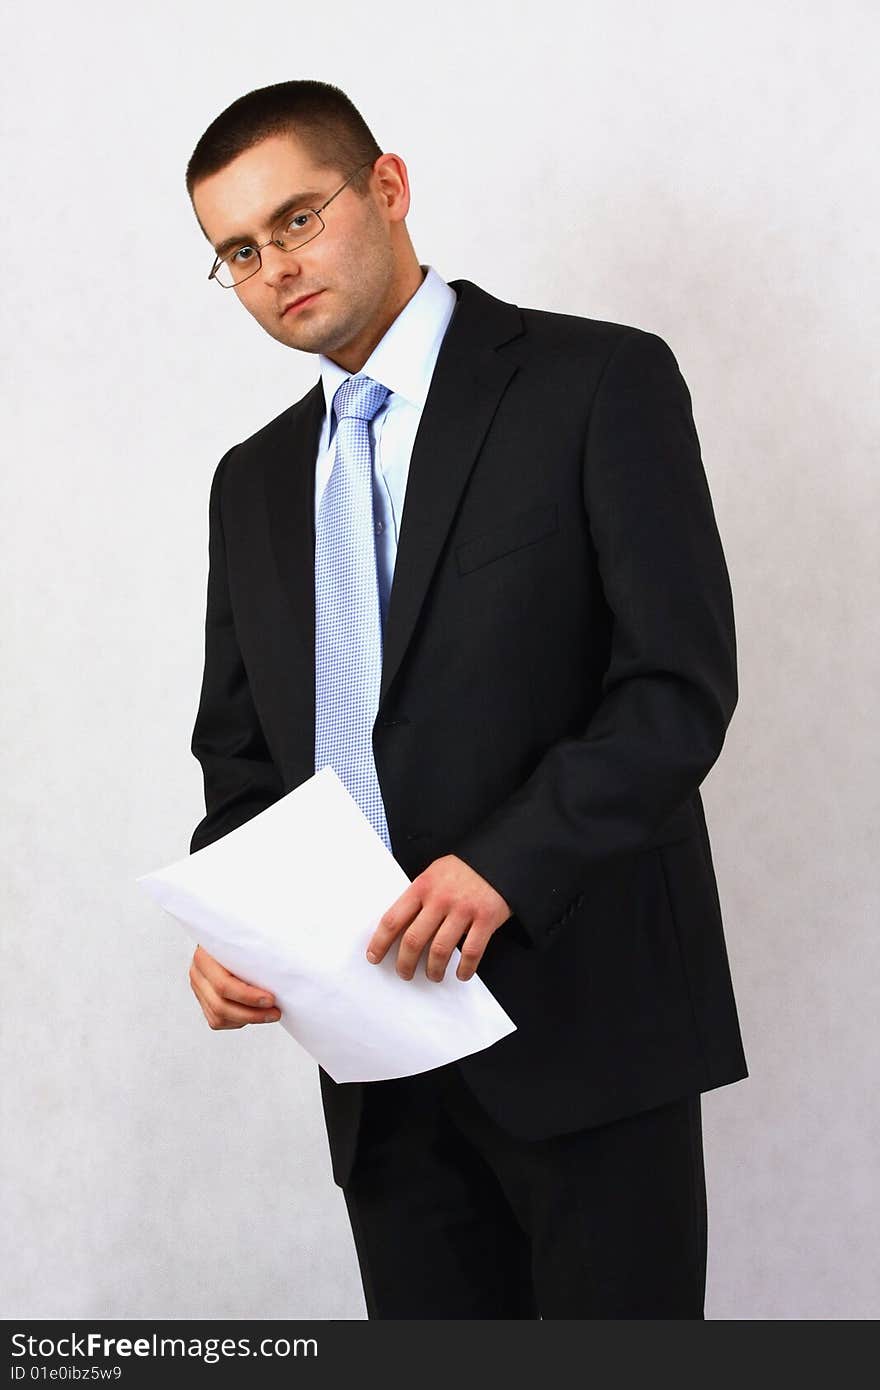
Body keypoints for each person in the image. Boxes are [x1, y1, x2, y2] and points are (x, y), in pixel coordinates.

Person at [183, 79, 749, 1319]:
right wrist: (235, 919)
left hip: (587, 1030)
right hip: (376, 1075)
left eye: (296, 218)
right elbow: (241, 762)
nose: (273, 266)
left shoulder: (595, 382)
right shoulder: (253, 483)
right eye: (236, 249)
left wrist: (503, 863)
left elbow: (676, 686)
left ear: (385, 188)